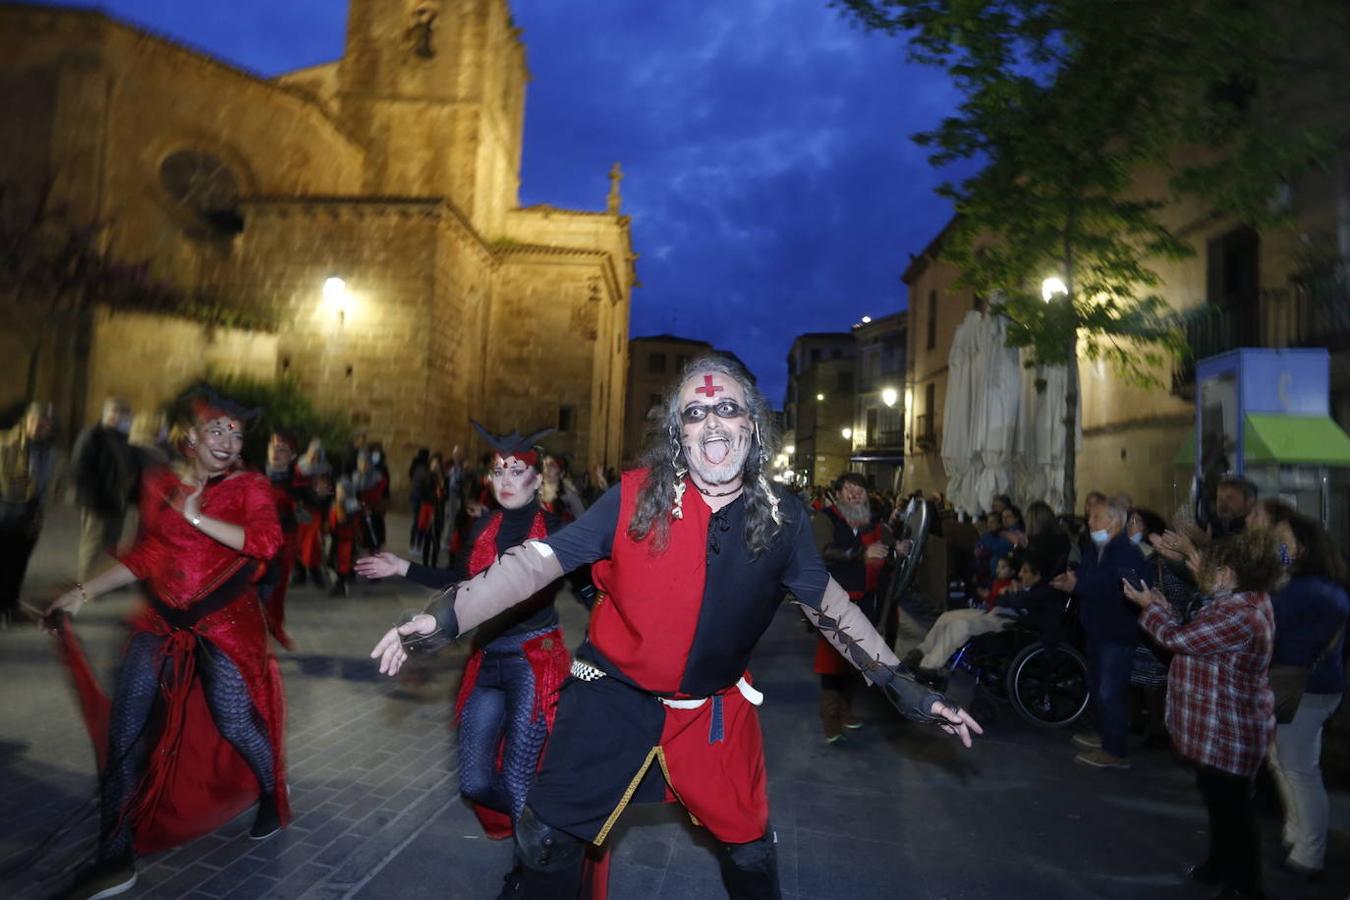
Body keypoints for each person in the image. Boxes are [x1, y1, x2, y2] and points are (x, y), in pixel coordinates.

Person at [371, 356, 979, 898]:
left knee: (750, 852)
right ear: (677, 434)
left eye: (727, 408)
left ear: (752, 426)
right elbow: (537, 562)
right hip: (610, 699)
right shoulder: (634, 498)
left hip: (711, 715)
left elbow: (835, 611)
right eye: (695, 412)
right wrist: (441, 618)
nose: (712, 422)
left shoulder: (785, 518)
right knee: (545, 838)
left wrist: (911, 691)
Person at [46, 388, 287, 900]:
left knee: (234, 721)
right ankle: (115, 855)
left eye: (235, 433)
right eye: (216, 430)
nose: (226, 440)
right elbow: (147, 554)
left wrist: (198, 516)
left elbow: (267, 542)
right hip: (158, 625)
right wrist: (83, 592)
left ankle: (269, 791)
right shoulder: (159, 485)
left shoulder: (251, 488)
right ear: (190, 438)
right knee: (125, 733)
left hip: (222, 626)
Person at [359, 422, 593, 842]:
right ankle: (542, 821)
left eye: (516, 470)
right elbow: (459, 581)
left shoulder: (558, 532)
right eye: (498, 470)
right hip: (485, 659)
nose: (505, 479)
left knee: (520, 778)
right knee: (473, 783)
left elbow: (591, 591)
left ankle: (532, 870)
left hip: (532, 660)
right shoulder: (482, 527)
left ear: (537, 479)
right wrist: (403, 567)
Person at [1126, 528, 1281, 900]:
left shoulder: (1241, 614)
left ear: (1227, 573)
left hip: (1230, 730)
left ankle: (1245, 886)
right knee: (1219, 807)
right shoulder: (1239, 601)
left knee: (1234, 815)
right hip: (1218, 728)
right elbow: (1192, 628)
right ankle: (1219, 866)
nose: (1202, 574)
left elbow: (1181, 639)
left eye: (1209, 569)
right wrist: (1162, 606)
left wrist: (1149, 607)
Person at [1265, 513, 1349, 881]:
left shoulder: (1306, 589)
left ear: (1302, 548)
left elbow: (1270, 622)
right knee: (1285, 762)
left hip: (1305, 688)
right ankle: (1297, 835)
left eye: (1281, 539)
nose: (1274, 545)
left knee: (1298, 769)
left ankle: (1309, 852)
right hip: (1310, 686)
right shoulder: (1320, 586)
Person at [1052, 495, 1149, 769]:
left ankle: (1116, 751)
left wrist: (1078, 586)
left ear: (1114, 521)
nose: (1089, 520)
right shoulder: (1097, 548)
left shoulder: (1127, 552)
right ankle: (1104, 734)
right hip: (1096, 629)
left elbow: (1116, 587)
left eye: (1096, 516)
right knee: (1097, 687)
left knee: (1111, 691)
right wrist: (1072, 581)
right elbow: (1088, 576)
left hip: (1116, 633)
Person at [812, 472, 895, 743]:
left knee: (857, 662)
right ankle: (830, 718)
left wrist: (897, 550)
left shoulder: (871, 522)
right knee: (832, 664)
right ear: (838, 493)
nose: (855, 495)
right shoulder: (826, 517)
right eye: (849, 490)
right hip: (836, 602)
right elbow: (823, 552)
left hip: (865, 601)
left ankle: (847, 710)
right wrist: (861, 555)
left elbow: (886, 550)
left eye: (859, 490)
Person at [0, 402, 57, 626]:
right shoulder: (6, 443)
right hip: (5, 515)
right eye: (36, 421)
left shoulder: (51, 450)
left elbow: (52, 482)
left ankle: (10, 608)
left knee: (18, 565)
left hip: (31, 518)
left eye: (45, 423)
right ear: (26, 420)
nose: (40, 427)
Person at [72, 398, 137, 581]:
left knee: (110, 543)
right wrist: (91, 497)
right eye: (113, 412)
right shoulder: (93, 435)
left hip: (117, 501)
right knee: (93, 544)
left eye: (122, 414)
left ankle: (99, 581)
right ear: (105, 413)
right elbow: (79, 468)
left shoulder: (122, 437)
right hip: (97, 501)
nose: (117, 417)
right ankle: (85, 584)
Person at [293, 438, 332, 588]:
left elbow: (329, 492)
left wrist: (324, 500)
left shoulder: (325, 469)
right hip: (302, 510)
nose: (314, 457)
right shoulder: (299, 468)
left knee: (313, 542)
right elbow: (294, 488)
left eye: (317, 454)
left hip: (317, 511)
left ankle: (315, 572)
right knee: (299, 542)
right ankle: (300, 573)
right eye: (313, 453)